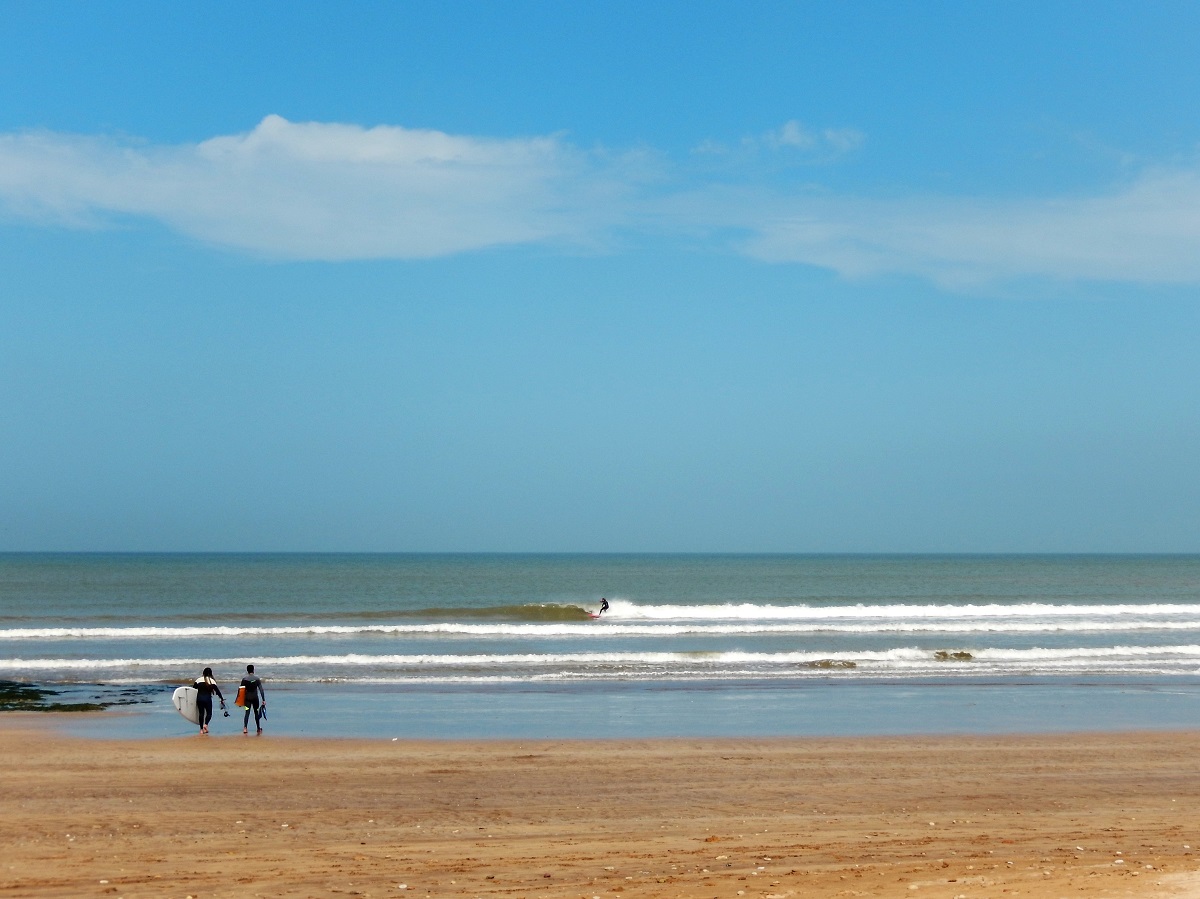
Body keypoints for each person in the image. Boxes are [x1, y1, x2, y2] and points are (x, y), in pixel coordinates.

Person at [193, 666, 226, 735]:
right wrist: (221, 698)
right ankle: (206, 724)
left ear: (203, 673)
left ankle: (201, 730)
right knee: (209, 713)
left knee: (201, 714)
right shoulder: (212, 681)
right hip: (207, 699)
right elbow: (217, 691)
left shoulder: (198, 680)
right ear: (210, 673)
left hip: (199, 699)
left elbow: (193, 689)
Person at [239, 663, 267, 735]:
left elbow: (241, 690)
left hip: (247, 698)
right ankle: (258, 728)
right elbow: (261, 690)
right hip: (255, 698)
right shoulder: (257, 679)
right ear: (253, 670)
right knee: (256, 712)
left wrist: (239, 701)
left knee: (247, 712)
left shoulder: (244, 679)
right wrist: (263, 699)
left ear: (247, 670)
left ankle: (245, 728)